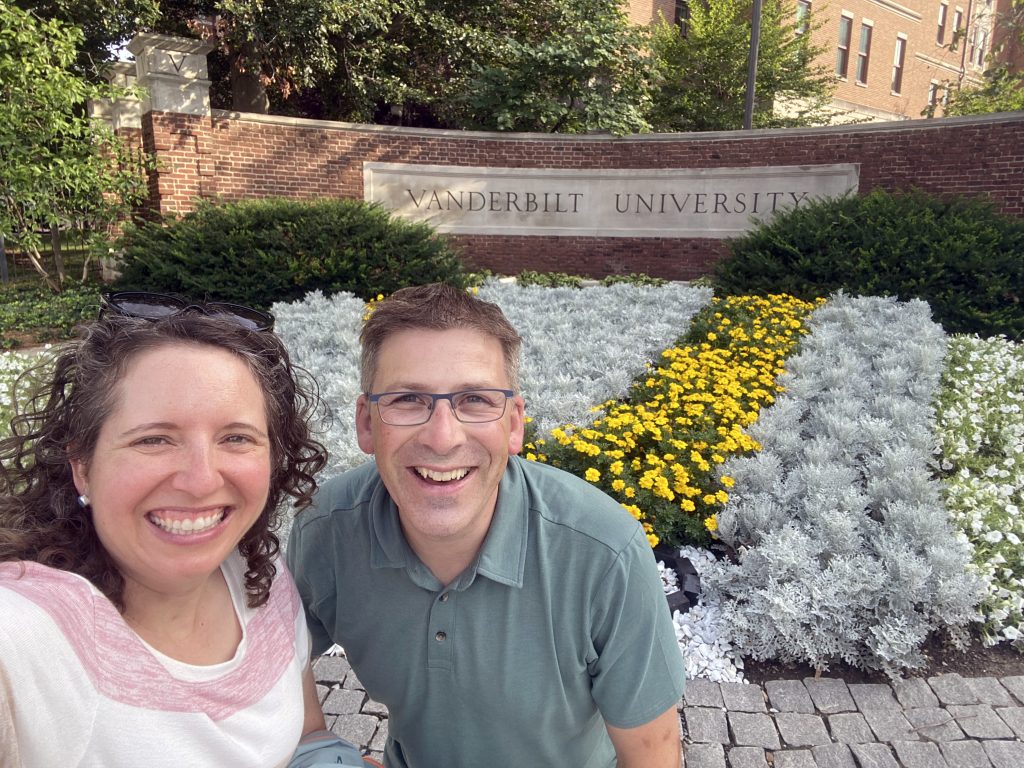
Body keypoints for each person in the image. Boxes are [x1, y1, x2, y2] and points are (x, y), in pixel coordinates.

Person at [287, 282, 686, 767]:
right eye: (408, 399)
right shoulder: (326, 531)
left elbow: (653, 757)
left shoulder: (604, 553)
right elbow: (269, 665)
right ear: (367, 423)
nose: (441, 437)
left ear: (514, 423)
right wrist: (321, 753)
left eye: (475, 399)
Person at [0, 293, 373, 768]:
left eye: (236, 438)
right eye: (154, 439)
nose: (200, 480)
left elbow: (305, 732)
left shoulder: (259, 576)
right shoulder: (26, 638)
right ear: (82, 466)